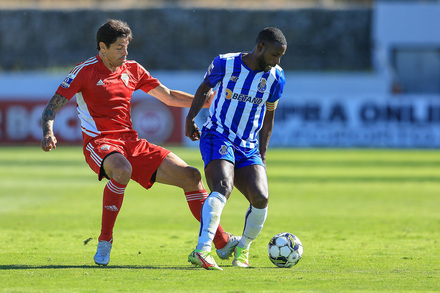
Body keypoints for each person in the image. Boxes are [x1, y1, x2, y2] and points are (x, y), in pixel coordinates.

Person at [41, 19, 240, 266]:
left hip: (131, 142)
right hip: (99, 143)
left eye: (127, 47)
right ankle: (105, 241)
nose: (125, 53)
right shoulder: (84, 71)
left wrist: (204, 102)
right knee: (122, 170)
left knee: (191, 176)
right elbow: (51, 107)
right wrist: (48, 131)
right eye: (119, 48)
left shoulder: (132, 69)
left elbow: (167, 96)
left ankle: (221, 242)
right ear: (102, 47)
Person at [185, 27, 287, 270]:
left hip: (248, 146)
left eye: (281, 57)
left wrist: (262, 154)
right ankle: (203, 249)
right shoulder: (225, 63)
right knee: (222, 187)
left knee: (261, 198)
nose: (277, 61)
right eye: (274, 55)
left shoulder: (276, 77)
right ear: (260, 47)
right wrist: (190, 120)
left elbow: (269, 117)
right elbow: (203, 88)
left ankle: (243, 249)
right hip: (218, 135)